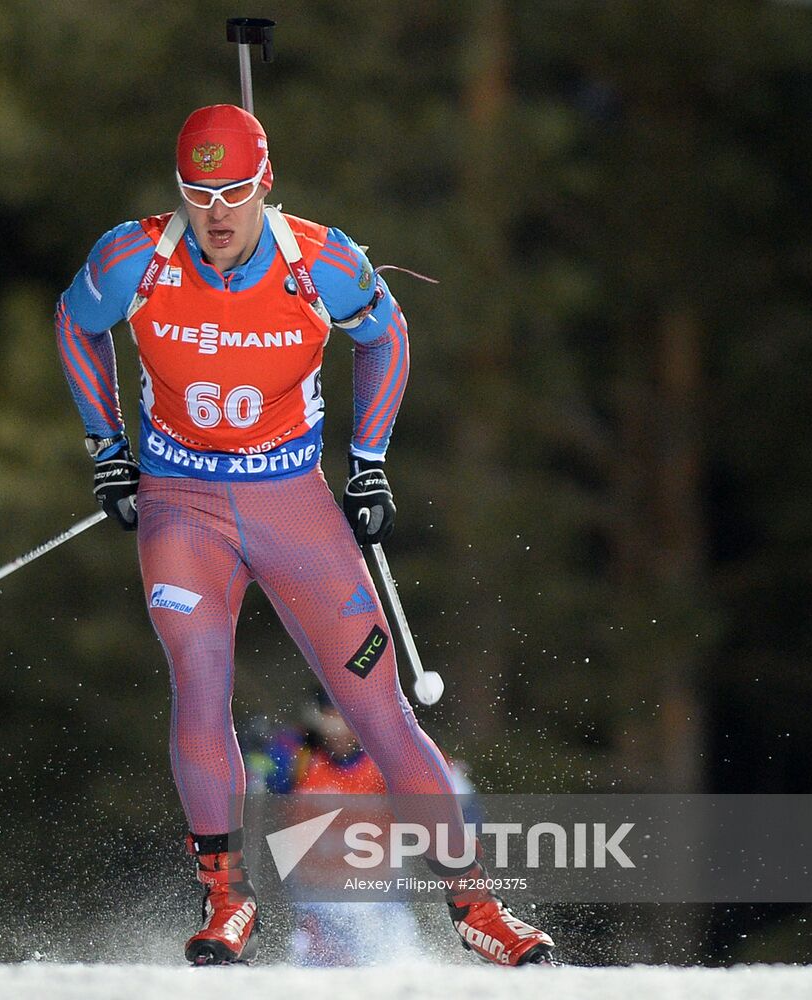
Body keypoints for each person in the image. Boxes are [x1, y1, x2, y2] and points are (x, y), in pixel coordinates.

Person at [55, 104, 553, 966]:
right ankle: (226, 900)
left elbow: (387, 336)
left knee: (380, 710)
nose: (216, 211)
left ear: (266, 182)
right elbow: (74, 323)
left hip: (293, 506)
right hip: (184, 506)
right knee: (198, 683)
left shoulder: (320, 261)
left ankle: (477, 907)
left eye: (236, 190)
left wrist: (368, 460)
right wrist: (108, 450)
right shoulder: (133, 257)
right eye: (198, 192)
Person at [250, 688, 425, 966]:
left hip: (382, 903)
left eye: (344, 718)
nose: (338, 729)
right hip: (317, 905)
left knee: (397, 970)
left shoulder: (386, 758)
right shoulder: (299, 755)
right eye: (329, 717)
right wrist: (251, 750)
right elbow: (259, 772)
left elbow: (445, 792)